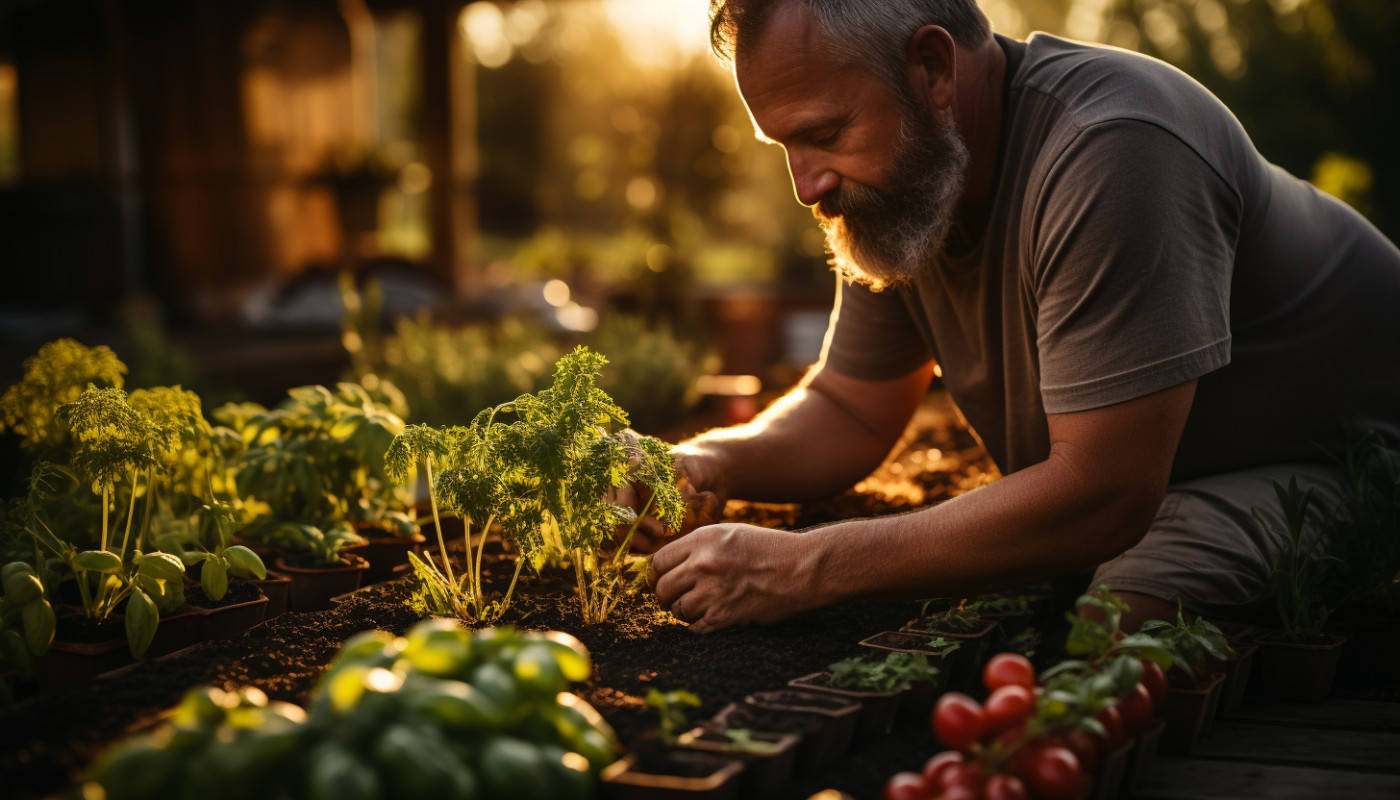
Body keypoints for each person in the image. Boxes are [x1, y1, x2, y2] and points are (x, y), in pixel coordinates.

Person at [640, 0, 1400, 634]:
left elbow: (1103, 494)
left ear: (932, 69)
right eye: (784, 144)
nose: (805, 186)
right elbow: (849, 407)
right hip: (1156, 482)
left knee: (1116, 619)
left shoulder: (1113, 148)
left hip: (1343, 461)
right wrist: (702, 464)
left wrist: (806, 565)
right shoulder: (908, 189)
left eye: (824, 134)